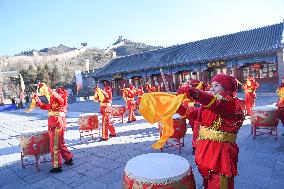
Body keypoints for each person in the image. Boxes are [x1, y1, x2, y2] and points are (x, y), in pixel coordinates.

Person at [177, 73, 245, 189]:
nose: (212, 88)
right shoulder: (208, 106)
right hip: (206, 150)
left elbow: (217, 104)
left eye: (216, 85)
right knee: (208, 181)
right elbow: (192, 113)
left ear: (226, 88)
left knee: (218, 182)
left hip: (221, 154)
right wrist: (176, 106)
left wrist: (197, 94)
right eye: (211, 85)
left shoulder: (231, 105)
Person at [34, 83, 73, 173]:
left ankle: (57, 166)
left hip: (56, 124)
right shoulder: (55, 101)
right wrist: (37, 101)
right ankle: (68, 158)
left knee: (54, 146)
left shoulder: (60, 99)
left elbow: (54, 95)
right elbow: (46, 106)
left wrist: (45, 87)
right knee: (60, 143)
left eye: (56, 91)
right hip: (57, 123)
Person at [178, 79, 206, 155]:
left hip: (199, 117)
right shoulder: (187, 94)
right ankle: (196, 147)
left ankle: (197, 147)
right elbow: (187, 104)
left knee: (197, 133)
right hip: (196, 117)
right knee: (196, 133)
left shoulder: (200, 92)